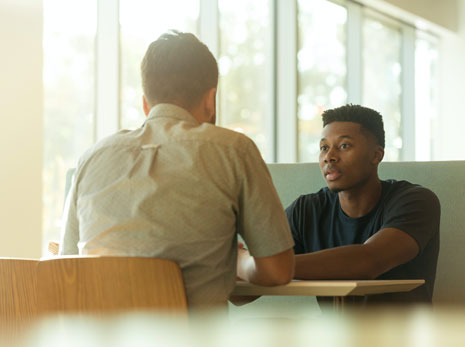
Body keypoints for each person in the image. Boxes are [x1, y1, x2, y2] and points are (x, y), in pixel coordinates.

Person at [59, 31, 294, 309]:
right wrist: (240, 262)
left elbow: (66, 268)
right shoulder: (234, 150)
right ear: (211, 100)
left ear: (146, 103)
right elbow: (277, 271)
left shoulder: (91, 158)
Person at [286, 104, 440, 305]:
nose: (329, 157)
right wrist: (241, 265)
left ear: (376, 155)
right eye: (324, 147)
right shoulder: (305, 210)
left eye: (344, 146)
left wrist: (266, 266)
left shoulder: (416, 201)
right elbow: (242, 294)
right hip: (335, 334)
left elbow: (368, 261)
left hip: (404, 334)